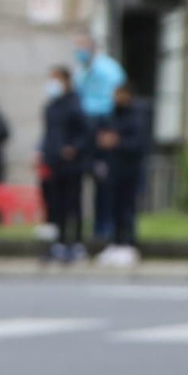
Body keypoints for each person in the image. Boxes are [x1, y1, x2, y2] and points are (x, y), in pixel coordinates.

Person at [73, 34, 127, 241]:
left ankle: (106, 226)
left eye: (82, 46)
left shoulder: (108, 69)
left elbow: (117, 99)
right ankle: (92, 228)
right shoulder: (81, 71)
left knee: (105, 182)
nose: (79, 51)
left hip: (103, 124)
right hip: (86, 127)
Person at [96, 84, 150, 267]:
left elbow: (139, 144)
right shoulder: (111, 115)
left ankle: (128, 244)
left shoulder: (137, 115)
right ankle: (115, 243)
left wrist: (118, 142)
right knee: (112, 209)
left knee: (127, 209)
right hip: (114, 170)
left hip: (131, 171)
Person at [40, 66, 88, 263]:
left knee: (73, 204)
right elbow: (49, 135)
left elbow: (85, 133)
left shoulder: (75, 104)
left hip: (72, 164)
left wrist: (74, 148)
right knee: (56, 205)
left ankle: (75, 242)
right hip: (54, 162)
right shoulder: (51, 106)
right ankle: (58, 243)